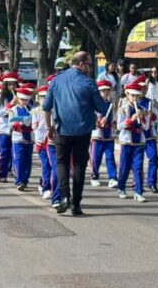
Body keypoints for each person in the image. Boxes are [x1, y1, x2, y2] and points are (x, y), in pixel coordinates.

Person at [41, 51, 109, 216]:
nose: (91, 69)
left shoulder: (56, 80)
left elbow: (46, 107)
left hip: (62, 129)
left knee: (62, 163)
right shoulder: (88, 82)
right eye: (90, 65)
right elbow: (101, 107)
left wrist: (49, 128)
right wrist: (105, 101)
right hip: (82, 130)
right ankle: (76, 204)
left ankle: (64, 196)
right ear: (82, 64)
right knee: (79, 166)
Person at [117, 81, 150, 202]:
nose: (135, 98)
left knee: (138, 167)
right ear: (127, 95)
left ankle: (138, 191)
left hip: (139, 142)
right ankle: (121, 188)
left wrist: (143, 119)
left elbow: (146, 127)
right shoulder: (123, 109)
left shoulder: (143, 109)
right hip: (127, 142)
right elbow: (119, 126)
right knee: (124, 167)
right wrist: (131, 120)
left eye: (137, 96)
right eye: (133, 95)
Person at [90, 79, 118, 189]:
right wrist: (98, 121)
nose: (105, 93)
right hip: (97, 135)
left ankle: (112, 178)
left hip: (109, 135)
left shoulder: (111, 105)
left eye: (107, 90)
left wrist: (112, 123)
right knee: (96, 158)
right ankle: (94, 177)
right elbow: (90, 118)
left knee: (110, 157)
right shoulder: (93, 104)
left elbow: (115, 118)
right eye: (103, 91)